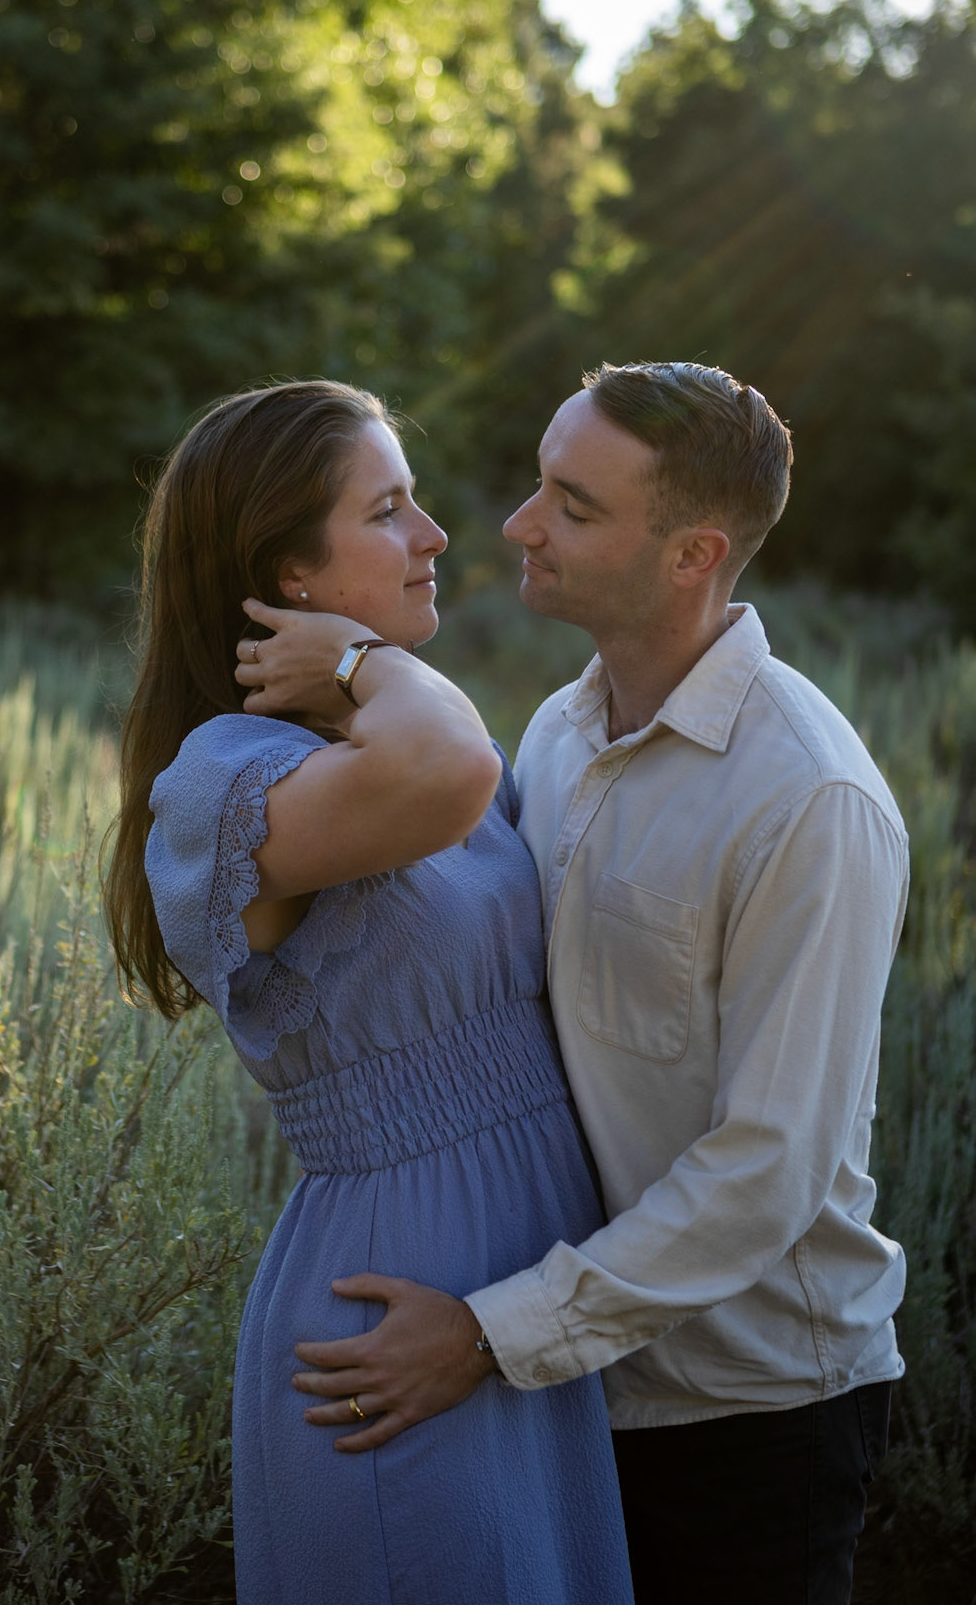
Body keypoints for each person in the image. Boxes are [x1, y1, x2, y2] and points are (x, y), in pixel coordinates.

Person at [286, 361, 908, 1605]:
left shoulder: (811, 800)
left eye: (572, 505)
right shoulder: (560, 734)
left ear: (693, 553)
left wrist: (484, 1334)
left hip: (747, 1411)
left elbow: (767, 1173)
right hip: (564, 1389)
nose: (517, 524)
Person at [103, 378, 633, 1605]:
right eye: (388, 508)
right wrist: (359, 658)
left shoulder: (374, 731)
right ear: (288, 573)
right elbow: (453, 769)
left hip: (512, 1312)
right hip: (393, 1315)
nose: (437, 534)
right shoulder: (229, 776)